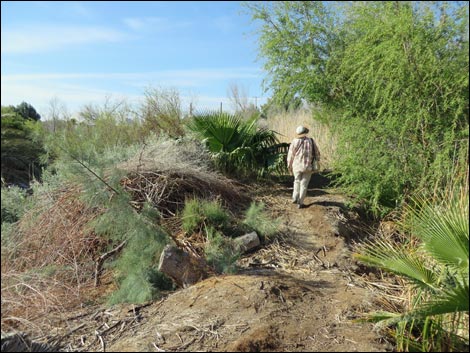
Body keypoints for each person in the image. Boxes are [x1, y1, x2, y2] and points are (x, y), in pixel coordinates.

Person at [286, 125, 321, 209]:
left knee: (297, 181)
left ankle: (295, 197)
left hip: (296, 167)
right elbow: (317, 153)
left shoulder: (294, 141)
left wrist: (289, 166)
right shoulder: (311, 141)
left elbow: (290, 155)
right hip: (308, 167)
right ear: (305, 132)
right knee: (304, 185)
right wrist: (317, 160)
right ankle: (300, 203)